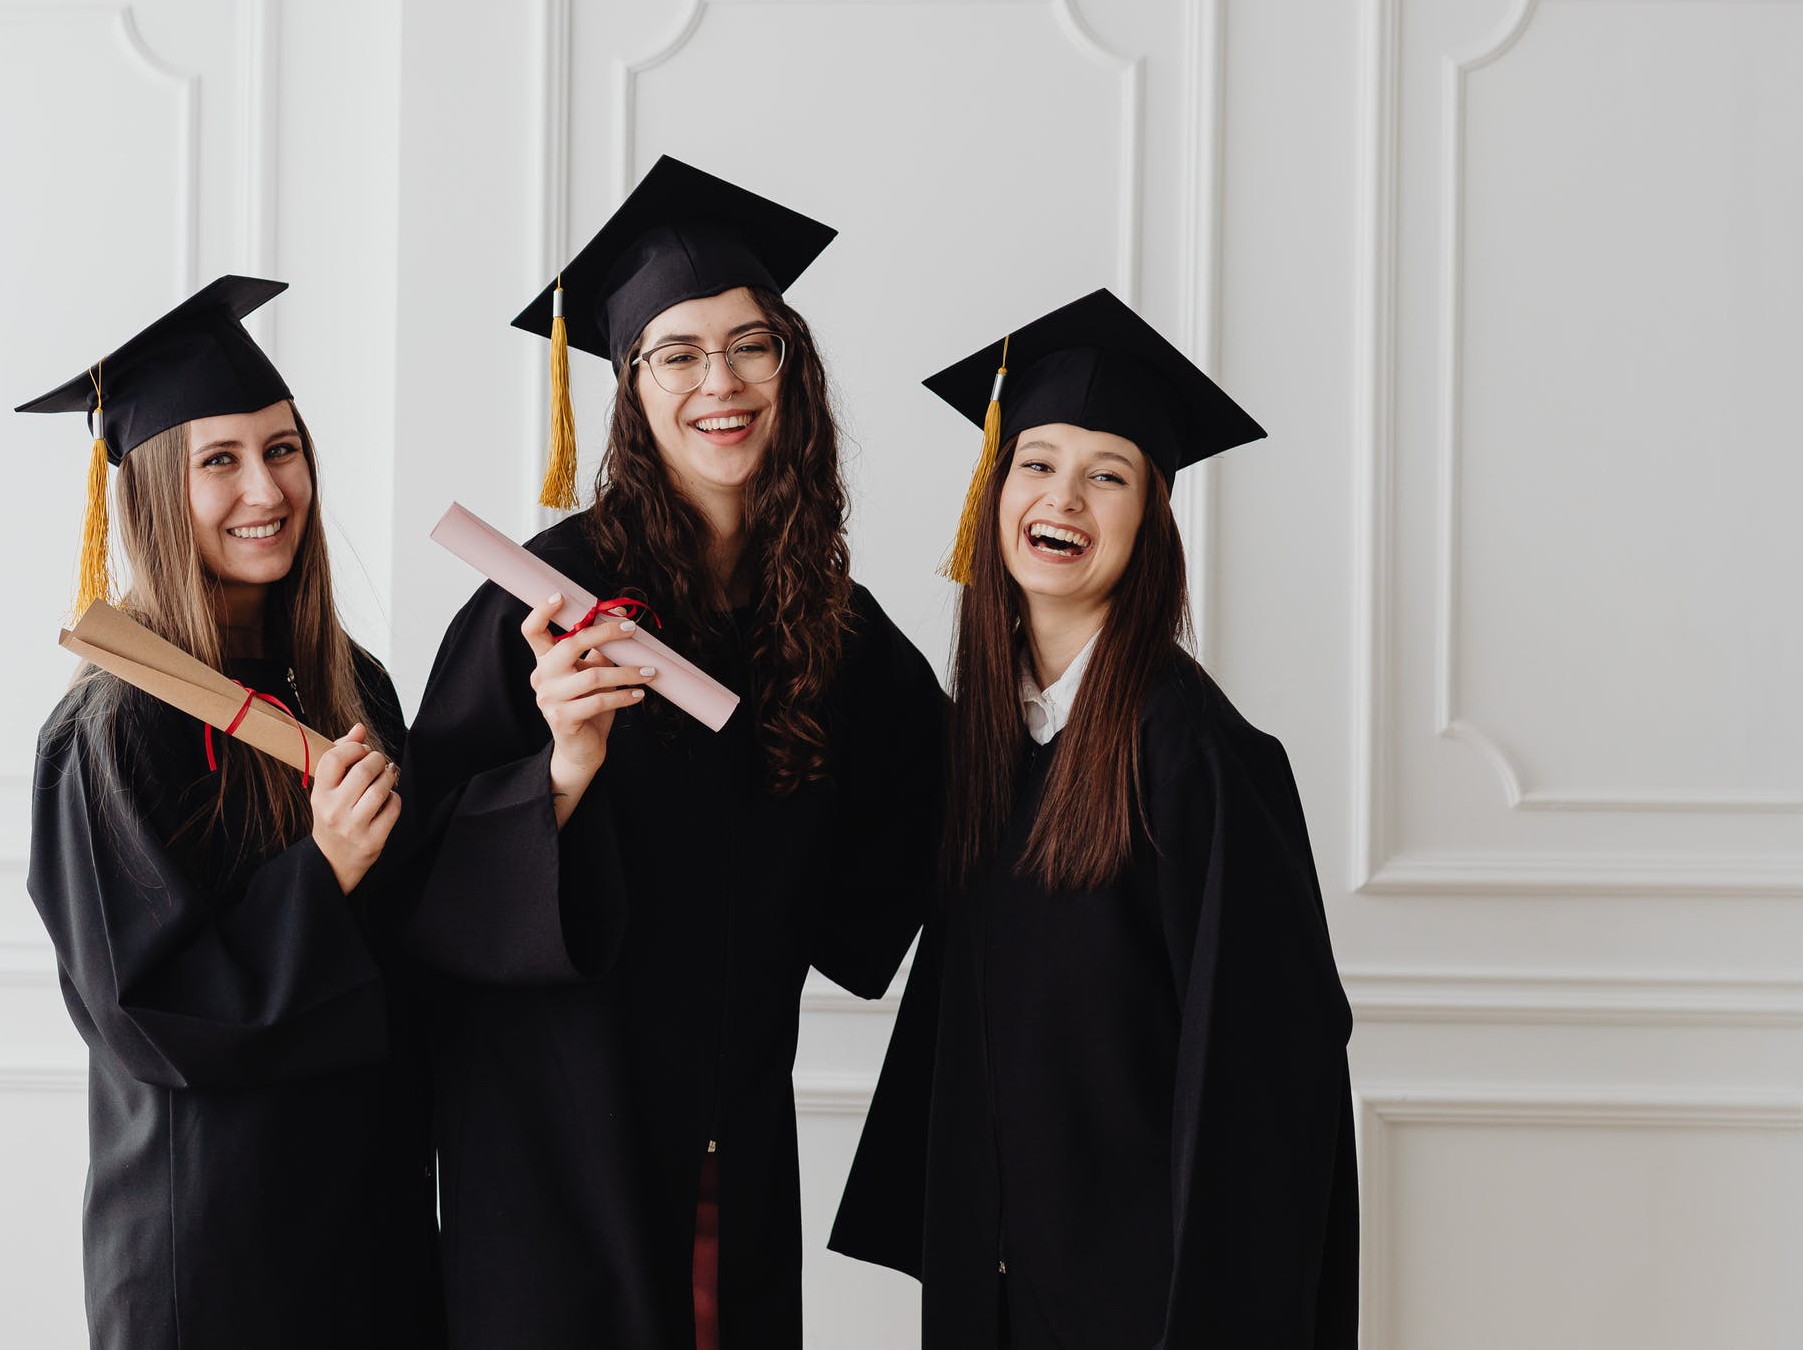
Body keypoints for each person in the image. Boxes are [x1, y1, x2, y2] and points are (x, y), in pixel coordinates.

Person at [400, 158, 946, 1350]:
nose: (723, 382)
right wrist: (559, 768)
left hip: (731, 1123)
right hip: (552, 1135)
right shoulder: (541, 605)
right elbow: (415, 882)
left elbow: (924, 823)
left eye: (753, 346)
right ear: (629, 388)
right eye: (680, 353)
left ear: (790, 370)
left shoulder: (836, 624)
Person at [831, 288, 1358, 1348]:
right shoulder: (985, 740)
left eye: (1106, 474)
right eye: (1035, 461)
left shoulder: (1195, 753)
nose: (1062, 495)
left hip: (1147, 1295)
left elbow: (1270, 1076)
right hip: (995, 1281)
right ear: (994, 490)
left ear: (1150, 518)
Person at [18, 276, 443, 1348]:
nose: (267, 487)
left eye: (284, 448)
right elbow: (143, 1010)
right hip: (213, 1246)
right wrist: (325, 868)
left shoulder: (355, 687)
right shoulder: (114, 730)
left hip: (373, 1217)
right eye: (221, 460)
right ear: (159, 488)